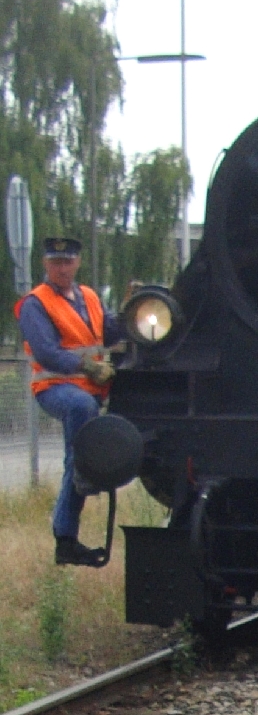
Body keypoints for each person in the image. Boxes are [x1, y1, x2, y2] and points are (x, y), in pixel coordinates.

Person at [14, 237, 124, 566]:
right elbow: (47, 352)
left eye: (67, 261)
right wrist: (88, 367)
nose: (62, 268)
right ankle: (81, 479)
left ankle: (68, 535)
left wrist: (131, 312)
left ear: (77, 263)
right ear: (45, 264)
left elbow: (110, 332)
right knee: (80, 420)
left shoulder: (90, 296)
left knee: (94, 425)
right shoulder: (35, 303)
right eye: (56, 262)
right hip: (55, 386)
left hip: (92, 388)